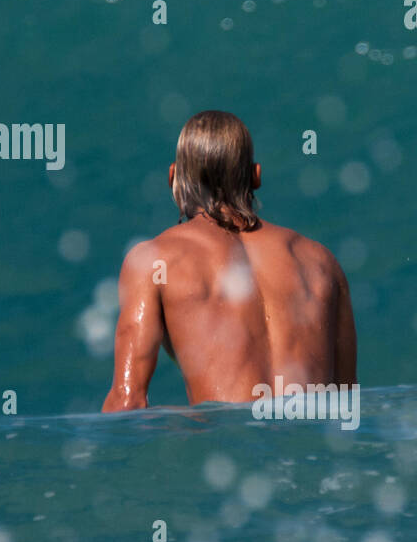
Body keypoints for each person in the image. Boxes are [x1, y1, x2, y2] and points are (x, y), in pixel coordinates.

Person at [102, 111, 356, 411]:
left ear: (174, 178)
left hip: (227, 448)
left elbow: (128, 400)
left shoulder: (154, 261)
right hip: (309, 449)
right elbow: (346, 407)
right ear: (255, 175)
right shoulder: (320, 261)